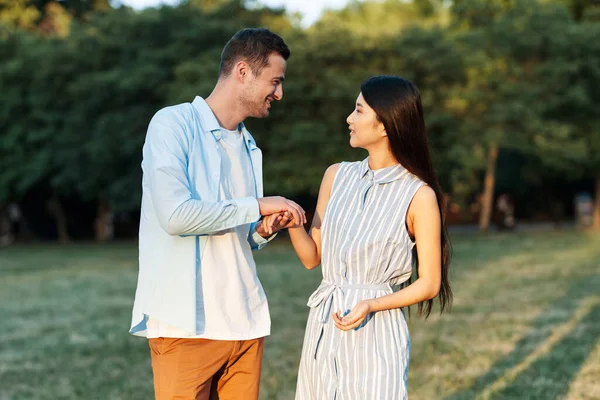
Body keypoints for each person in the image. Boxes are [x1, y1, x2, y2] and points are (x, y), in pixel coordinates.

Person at [128, 28, 306, 400]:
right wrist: (258, 204)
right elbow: (177, 216)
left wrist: (262, 229)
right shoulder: (172, 125)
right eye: (275, 81)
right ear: (243, 71)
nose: (279, 93)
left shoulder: (249, 144)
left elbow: (236, 235)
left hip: (245, 323)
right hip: (185, 327)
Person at [270, 75, 453, 399]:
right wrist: (293, 223)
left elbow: (430, 284)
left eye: (358, 110)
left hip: (376, 330)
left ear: (384, 125)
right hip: (325, 324)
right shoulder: (336, 175)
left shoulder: (418, 195)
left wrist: (371, 304)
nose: (349, 118)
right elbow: (313, 258)